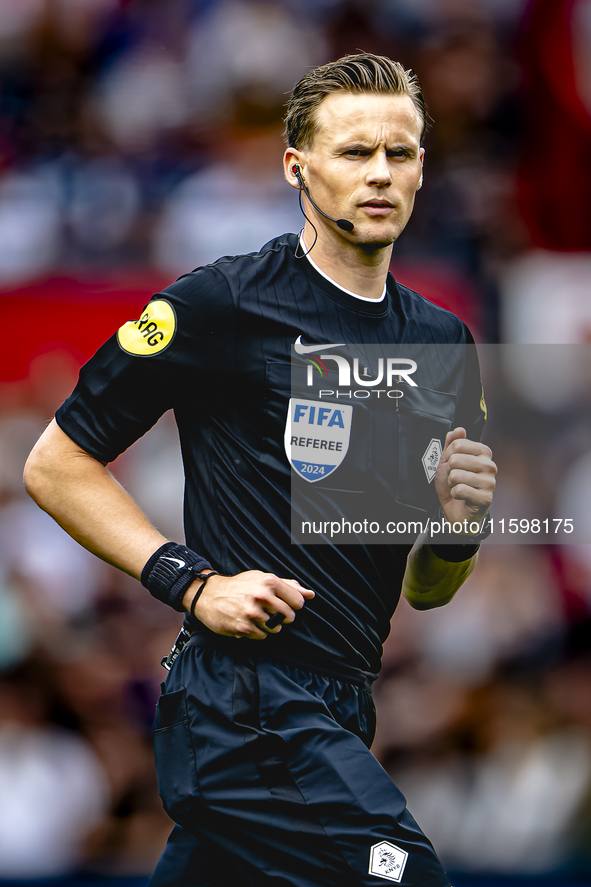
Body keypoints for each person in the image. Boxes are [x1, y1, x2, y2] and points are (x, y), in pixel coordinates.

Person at [24, 54, 496, 887]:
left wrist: (458, 533)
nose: (380, 172)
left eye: (400, 151)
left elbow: (425, 589)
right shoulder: (223, 304)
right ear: (297, 166)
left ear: (423, 164)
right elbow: (57, 464)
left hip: (342, 703)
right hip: (244, 703)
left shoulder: (441, 342)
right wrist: (193, 582)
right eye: (353, 152)